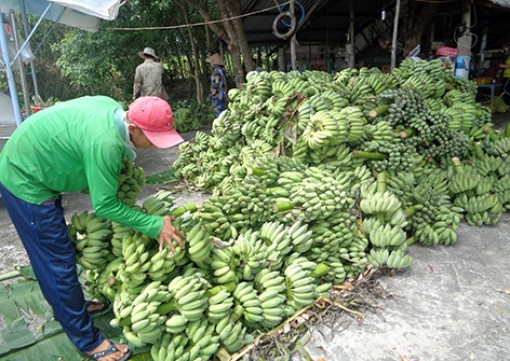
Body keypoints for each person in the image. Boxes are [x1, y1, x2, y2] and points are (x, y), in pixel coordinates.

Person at [0, 96, 185, 361]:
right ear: (133, 128)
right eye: (153, 137)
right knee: (56, 260)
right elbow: (105, 206)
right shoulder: (106, 142)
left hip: (35, 159)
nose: (155, 144)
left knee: (59, 251)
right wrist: (154, 224)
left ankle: (71, 306)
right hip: (23, 176)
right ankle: (87, 341)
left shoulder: (110, 108)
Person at [206, 53, 228, 117]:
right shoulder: (222, 71)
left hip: (218, 95)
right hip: (222, 93)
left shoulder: (216, 73)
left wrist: (211, 94)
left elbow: (216, 84)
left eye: (212, 63)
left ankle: (221, 124)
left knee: (218, 111)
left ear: (214, 64)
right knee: (222, 109)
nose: (211, 64)